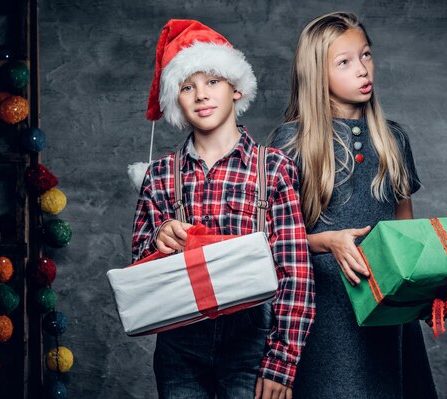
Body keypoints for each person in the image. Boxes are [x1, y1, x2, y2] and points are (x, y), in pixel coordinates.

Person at [131, 19, 315, 399]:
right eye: (187, 87)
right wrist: (157, 239)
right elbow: (141, 266)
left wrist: (282, 361)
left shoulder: (273, 167)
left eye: (212, 81)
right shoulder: (161, 175)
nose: (201, 95)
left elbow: (295, 271)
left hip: (253, 345)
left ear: (235, 88)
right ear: (175, 102)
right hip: (180, 347)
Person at [269, 11, 437, 399]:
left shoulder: (393, 138)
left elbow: (405, 230)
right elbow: (269, 241)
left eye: (365, 55)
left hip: (387, 313)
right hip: (322, 314)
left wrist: (426, 285)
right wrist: (326, 241)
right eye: (344, 62)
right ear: (317, 74)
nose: (363, 70)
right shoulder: (290, 142)